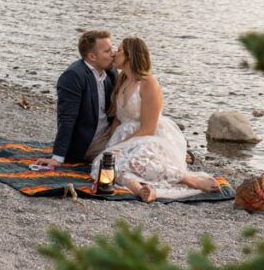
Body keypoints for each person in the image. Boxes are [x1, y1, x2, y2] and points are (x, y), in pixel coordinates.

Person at [91, 36, 220, 202]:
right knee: (102, 165)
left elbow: (149, 128)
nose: (115, 53)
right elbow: (118, 118)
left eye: (120, 50)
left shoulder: (148, 83)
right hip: (124, 136)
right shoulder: (121, 80)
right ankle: (139, 189)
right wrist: (111, 143)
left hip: (147, 136)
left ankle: (187, 179)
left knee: (139, 161)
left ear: (130, 55)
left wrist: (122, 147)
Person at [38, 29, 117, 169]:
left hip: (109, 136)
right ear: (92, 57)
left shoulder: (110, 72)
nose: (114, 54)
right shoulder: (73, 76)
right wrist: (58, 158)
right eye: (107, 51)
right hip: (88, 144)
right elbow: (67, 118)